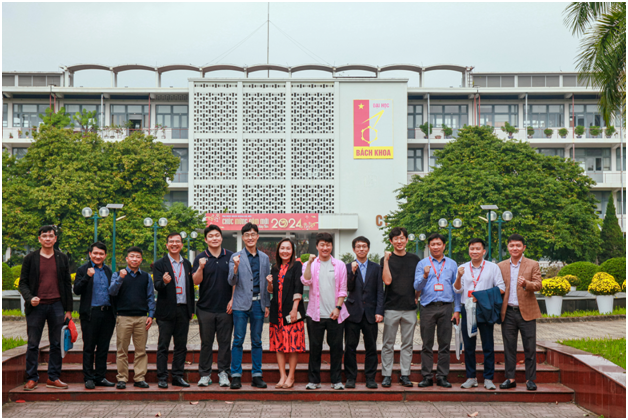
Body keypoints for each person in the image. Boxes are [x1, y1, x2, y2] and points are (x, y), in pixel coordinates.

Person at [18, 225, 73, 391]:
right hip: (37, 307)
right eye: (44, 236)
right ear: (39, 239)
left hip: (57, 305)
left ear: (55, 239)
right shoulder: (30, 258)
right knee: (33, 343)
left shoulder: (62, 258)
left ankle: (53, 377)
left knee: (56, 343)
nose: (48, 238)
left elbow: (66, 284)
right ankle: (32, 378)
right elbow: (23, 283)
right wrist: (30, 298)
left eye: (51, 236)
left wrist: (68, 310)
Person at [453, 238, 505, 390]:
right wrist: (458, 277)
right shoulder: (462, 267)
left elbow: (501, 288)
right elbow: (457, 290)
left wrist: (481, 296)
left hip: (485, 309)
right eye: (471, 249)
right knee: (469, 346)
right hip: (467, 308)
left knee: (488, 345)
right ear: (468, 250)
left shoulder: (492, 267)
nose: (474, 251)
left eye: (477, 249)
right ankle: (471, 377)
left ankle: (488, 378)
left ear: (484, 251)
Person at [302, 232, 349, 390]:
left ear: (332, 246)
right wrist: (308, 263)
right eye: (322, 245)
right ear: (317, 246)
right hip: (315, 314)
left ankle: (336, 380)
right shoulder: (310, 264)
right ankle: (313, 380)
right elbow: (306, 280)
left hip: (335, 314)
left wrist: (338, 308)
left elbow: (343, 289)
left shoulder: (339, 265)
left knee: (336, 348)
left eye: (328, 245)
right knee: (315, 348)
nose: (325, 247)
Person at [414, 233, 461, 388]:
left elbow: (457, 288)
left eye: (438, 244)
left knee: (445, 344)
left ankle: (442, 376)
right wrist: (426, 275)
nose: (435, 247)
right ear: (428, 246)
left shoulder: (452, 264)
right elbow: (417, 287)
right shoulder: (422, 264)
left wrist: (457, 310)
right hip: (427, 307)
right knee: (427, 344)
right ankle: (427, 376)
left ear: (444, 246)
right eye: (432, 244)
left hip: (446, 307)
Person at [228, 223, 271, 389]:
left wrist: (266, 304)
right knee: (238, 339)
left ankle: (257, 375)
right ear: (243, 237)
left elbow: (266, 282)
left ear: (257, 236)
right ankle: (236, 375)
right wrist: (236, 268)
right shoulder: (236, 257)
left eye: (253, 234)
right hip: (240, 304)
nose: (250, 237)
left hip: (258, 303)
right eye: (247, 235)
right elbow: (231, 281)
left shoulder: (265, 258)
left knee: (257, 340)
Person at [498, 234, 543, 392]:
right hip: (508, 312)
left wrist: (526, 284)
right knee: (509, 347)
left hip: (527, 312)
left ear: (523, 248)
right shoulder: (501, 265)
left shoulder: (533, 264)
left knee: (529, 347)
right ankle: (510, 378)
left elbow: (538, 285)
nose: (514, 248)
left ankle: (530, 379)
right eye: (512, 246)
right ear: (508, 247)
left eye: (518, 245)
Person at [192, 225, 234, 388]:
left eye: (217, 235)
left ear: (221, 238)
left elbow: (235, 281)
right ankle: (205, 374)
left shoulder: (230, 256)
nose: (214, 238)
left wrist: (232, 300)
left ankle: (223, 373)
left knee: (225, 343)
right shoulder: (200, 258)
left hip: (226, 308)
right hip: (205, 308)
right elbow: (196, 281)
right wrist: (201, 267)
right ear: (206, 239)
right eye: (211, 236)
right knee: (206, 343)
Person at [109, 247, 155, 389]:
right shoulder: (118, 274)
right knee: (122, 349)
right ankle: (122, 378)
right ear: (127, 259)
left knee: (140, 350)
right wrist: (120, 278)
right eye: (132, 256)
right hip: (123, 317)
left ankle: (139, 378)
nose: (135, 259)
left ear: (141, 259)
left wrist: (151, 315)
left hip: (141, 318)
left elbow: (150, 297)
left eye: (138, 257)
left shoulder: (146, 277)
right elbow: (111, 292)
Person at [153, 233, 195, 389]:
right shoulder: (159, 264)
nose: (174, 244)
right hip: (166, 311)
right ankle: (162, 377)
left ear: (182, 245)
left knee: (181, 346)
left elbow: (190, 288)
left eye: (178, 241)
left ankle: (177, 376)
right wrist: (163, 282)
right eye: (171, 242)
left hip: (183, 309)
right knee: (163, 345)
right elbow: (156, 286)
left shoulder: (187, 264)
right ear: (167, 245)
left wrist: (191, 310)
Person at [381, 227, 420, 388]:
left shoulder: (414, 259)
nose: (399, 241)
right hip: (391, 307)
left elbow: (418, 283)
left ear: (407, 240)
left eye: (402, 238)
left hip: (410, 307)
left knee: (407, 344)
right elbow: (387, 281)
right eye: (396, 239)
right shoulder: (387, 259)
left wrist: (416, 297)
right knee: (388, 343)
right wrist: (385, 261)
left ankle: (405, 375)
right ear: (391, 241)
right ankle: (386, 375)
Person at [73, 241, 116, 389]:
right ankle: (88, 377)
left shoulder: (108, 271)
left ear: (105, 255)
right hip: (90, 314)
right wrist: (87, 276)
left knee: (103, 347)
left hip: (108, 314)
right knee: (89, 347)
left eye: (101, 254)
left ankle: (100, 376)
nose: (98, 256)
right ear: (90, 254)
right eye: (95, 253)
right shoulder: (82, 269)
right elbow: (77, 290)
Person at [344, 236, 384, 389]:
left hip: (371, 313)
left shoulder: (376, 268)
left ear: (368, 248)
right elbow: (347, 288)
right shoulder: (348, 267)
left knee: (371, 347)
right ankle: (350, 377)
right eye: (358, 246)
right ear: (354, 249)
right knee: (350, 347)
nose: (361, 249)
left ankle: (370, 378)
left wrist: (379, 311)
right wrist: (353, 272)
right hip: (352, 313)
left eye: (364, 246)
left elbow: (380, 291)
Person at [266, 238, 306, 389]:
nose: (285, 251)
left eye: (288, 248)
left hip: (292, 311)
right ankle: (282, 376)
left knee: (293, 345)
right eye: (282, 248)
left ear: (292, 251)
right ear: (278, 251)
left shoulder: (297, 266)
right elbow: (271, 291)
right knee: (279, 345)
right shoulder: (275, 267)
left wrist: (295, 308)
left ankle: (291, 376)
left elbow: (298, 287)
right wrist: (270, 283)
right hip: (277, 312)